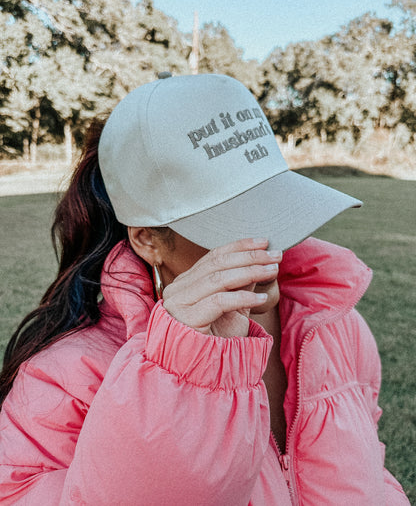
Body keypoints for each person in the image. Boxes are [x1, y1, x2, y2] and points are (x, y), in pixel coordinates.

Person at [0, 73, 410, 505]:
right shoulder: (67, 378)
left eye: (273, 206)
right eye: (231, 222)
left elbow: (371, 475)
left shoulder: (336, 326)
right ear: (148, 239)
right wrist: (180, 378)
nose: (270, 241)